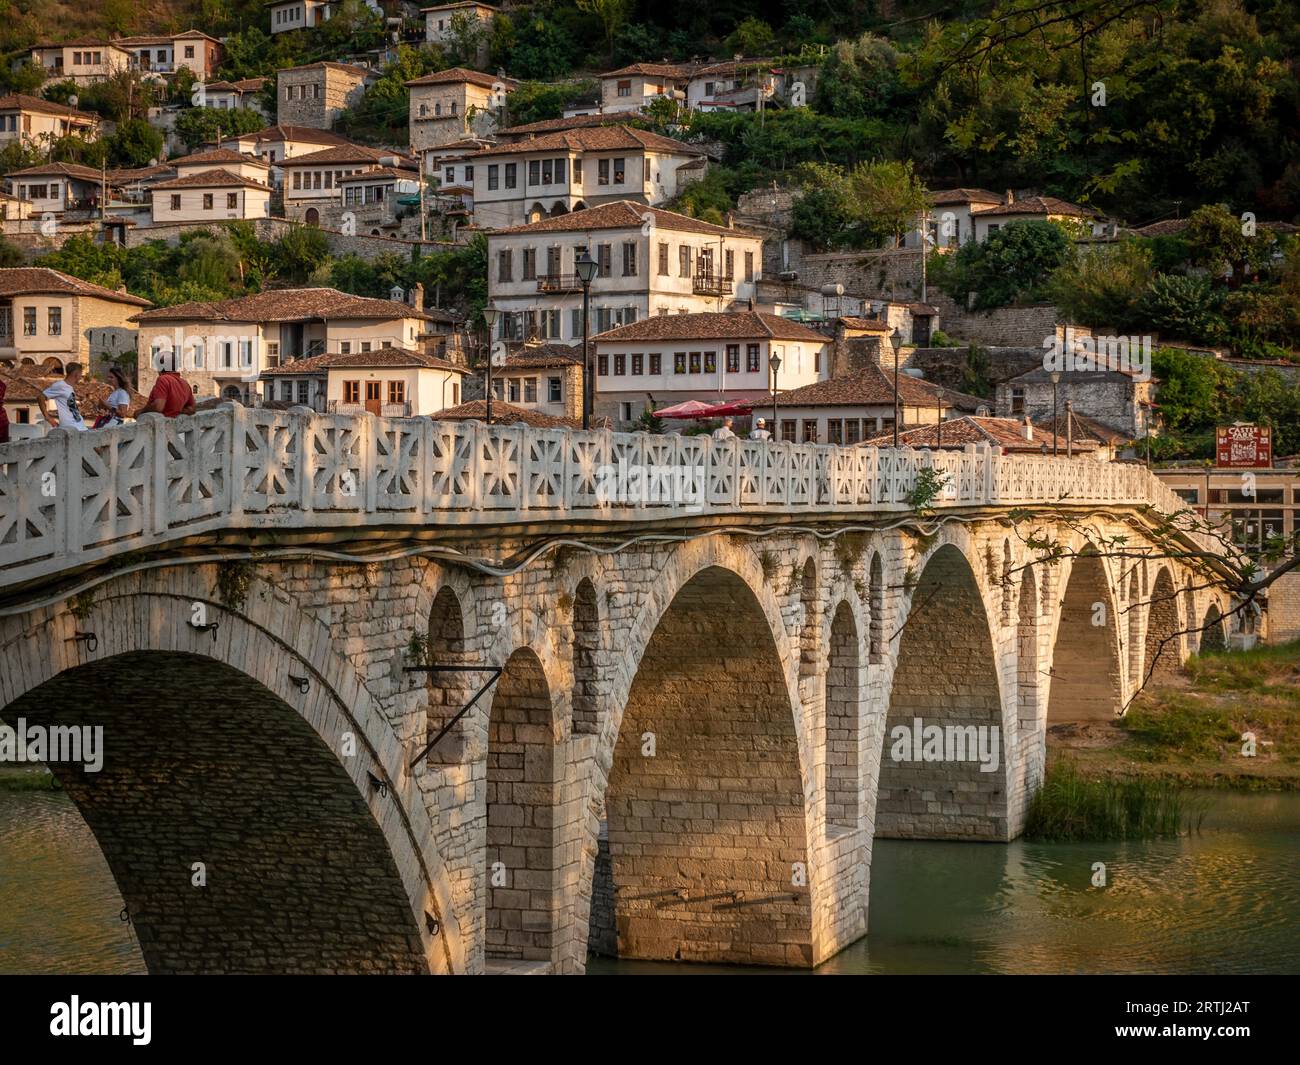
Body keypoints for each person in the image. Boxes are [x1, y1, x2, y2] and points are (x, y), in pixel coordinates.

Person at [144, 351, 196, 419]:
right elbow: (192, 409)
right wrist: (178, 412)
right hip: (175, 425)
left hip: (162, 425)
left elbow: (158, 407)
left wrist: (141, 411)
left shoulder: (163, 379)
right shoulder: (185, 383)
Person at [42, 363, 88, 432]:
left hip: (79, 427)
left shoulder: (69, 387)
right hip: (71, 428)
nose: (81, 376)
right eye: (81, 374)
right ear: (76, 374)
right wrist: (48, 417)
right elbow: (40, 397)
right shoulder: (60, 385)